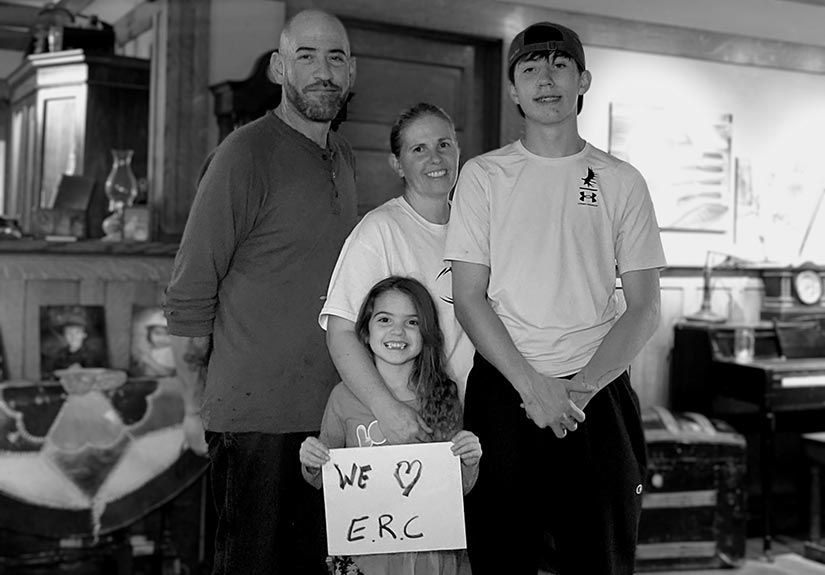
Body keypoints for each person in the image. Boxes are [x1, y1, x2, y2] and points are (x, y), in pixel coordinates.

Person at [445, 22, 666, 575]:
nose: (546, 79)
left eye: (560, 65)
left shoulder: (621, 180)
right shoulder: (482, 176)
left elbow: (644, 307)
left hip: (597, 394)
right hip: (505, 390)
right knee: (500, 557)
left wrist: (579, 390)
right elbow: (469, 296)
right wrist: (532, 387)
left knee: (602, 558)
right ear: (514, 90)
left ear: (583, 80)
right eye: (530, 68)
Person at [163, 9, 357, 574]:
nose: (323, 71)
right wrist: (190, 408)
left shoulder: (343, 158)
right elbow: (189, 294)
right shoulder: (242, 154)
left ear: (352, 73)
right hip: (255, 425)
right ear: (278, 68)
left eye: (336, 57)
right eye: (306, 56)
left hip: (331, 418)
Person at [301, 276, 481, 574]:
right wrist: (310, 460)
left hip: (431, 557)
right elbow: (323, 478)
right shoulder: (343, 397)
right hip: (364, 558)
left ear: (427, 333)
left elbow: (459, 487)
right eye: (384, 319)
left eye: (412, 322)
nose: (397, 331)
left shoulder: (443, 395)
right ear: (365, 331)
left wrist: (470, 459)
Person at [321, 102, 474, 445]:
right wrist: (386, 409)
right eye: (418, 149)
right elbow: (340, 332)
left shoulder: (477, 227)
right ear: (397, 164)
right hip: (407, 421)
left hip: (467, 414)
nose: (435, 159)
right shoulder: (380, 230)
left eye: (443, 145)